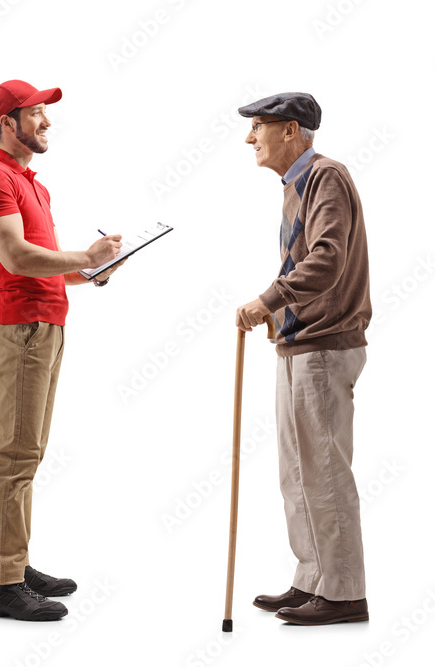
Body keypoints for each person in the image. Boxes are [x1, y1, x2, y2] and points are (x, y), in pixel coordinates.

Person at [0, 80, 124, 621]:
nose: (47, 123)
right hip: (22, 328)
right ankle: (2, 585)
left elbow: (47, 263)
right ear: (8, 123)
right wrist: (83, 253)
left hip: (48, 325)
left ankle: (16, 560)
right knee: (14, 455)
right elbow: (15, 257)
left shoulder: (30, 183)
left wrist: (92, 269)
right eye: (36, 115)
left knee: (28, 454)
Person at [235, 92, 372, 626]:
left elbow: (326, 258)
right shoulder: (297, 184)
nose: (251, 139)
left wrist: (268, 299)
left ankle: (343, 592)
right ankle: (312, 578)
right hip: (299, 341)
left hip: (325, 345)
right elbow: (307, 260)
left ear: (291, 131)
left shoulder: (325, 177)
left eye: (259, 128)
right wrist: (280, 318)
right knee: (297, 470)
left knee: (325, 471)